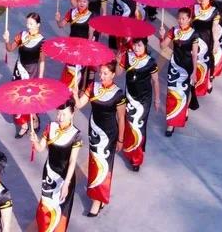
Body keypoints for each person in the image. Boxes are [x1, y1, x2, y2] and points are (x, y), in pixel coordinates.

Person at [74, 61, 126, 217]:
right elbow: (80, 104)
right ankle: (100, 197)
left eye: (105, 73)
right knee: (94, 163)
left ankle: (97, 200)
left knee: (104, 165)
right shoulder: (93, 87)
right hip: (94, 131)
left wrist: (121, 140)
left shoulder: (118, 93)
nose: (101, 76)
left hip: (109, 135)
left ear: (112, 74)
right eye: (100, 73)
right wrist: (75, 92)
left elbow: (122, 118)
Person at [31, 101, 82, 232]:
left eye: (64, 114)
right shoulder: (50, 127)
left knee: (61, 210)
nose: (60, 117)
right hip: (49, 174)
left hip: (66, 177)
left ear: (72, 114)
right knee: (46, 208)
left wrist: (66, 184)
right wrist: (35, 140)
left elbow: (72, 161)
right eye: (58, 113)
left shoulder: (76, 134)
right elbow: (41, 148)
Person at [160, 8, 205, 136]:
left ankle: (184, 110)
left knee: (185, 92)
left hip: (187, 67)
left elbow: (195, 54)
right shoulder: (173, 31)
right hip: (174, 66)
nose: (181, 21)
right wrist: (162, 35)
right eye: (179, 18)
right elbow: (163, 46)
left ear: (189, 19)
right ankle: (170, 123)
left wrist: (194, 71)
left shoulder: (194, 34)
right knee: (172, 94)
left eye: (183, 18)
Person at [119, 38, 160, 171]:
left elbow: (155, 81)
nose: (136, 48)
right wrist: (119, 57)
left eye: (139, 45)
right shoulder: (128, 57)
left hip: (144, 101)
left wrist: (157, 99)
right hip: (130, 98)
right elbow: (118, 74)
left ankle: (137, 159)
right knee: (129, 125)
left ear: (145, 45)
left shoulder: (150, 62)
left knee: (139, 127)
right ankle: (130, 150)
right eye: (135, 45)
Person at [4, 13, 45, 137]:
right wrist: (6, 40)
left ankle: (34, 118)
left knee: (29, 99)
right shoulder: (22, 35)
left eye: (31, 24)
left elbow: (42, 60)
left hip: (32, 73)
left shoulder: (42, 41)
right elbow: (10, 49)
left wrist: (41, 78)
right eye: (27, 23)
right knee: (17, 98)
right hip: (19, 70)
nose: (28, 26)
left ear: (38, 25)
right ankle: (23, 124)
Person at [56, 0, 92, 93]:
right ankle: (67, 91)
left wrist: (87, 50)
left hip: (82, 48)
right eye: (80, 1)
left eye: (84, 1)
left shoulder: (90, 16)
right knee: (69, 69)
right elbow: (61, 25)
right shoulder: (71, 12)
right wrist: (58, 20)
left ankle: (76, 92)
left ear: (88, 3)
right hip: (71, 47)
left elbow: (90, 34)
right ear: (76, 1)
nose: (82, 3)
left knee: (79, 71)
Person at [191, 0, 222, 96]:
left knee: (207, 61)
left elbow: (214, 28)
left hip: (207, 40)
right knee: (195, 61)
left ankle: (208, 80)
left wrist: (216, 42)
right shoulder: (194, 8)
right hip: (195, 40)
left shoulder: (214, 11)